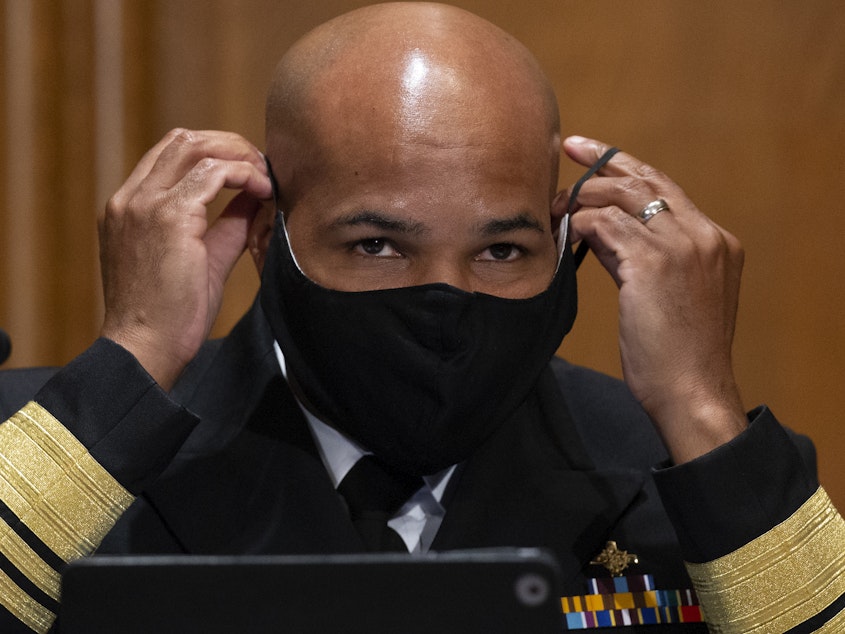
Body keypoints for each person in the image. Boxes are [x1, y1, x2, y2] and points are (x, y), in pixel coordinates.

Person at [0, 3, 842, 632]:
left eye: (501, 251)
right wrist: (138, 353)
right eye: (376, 246)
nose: (445, 295)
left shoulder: (686, 477)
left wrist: (698, 405)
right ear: (264, 236)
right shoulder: (65, 457)